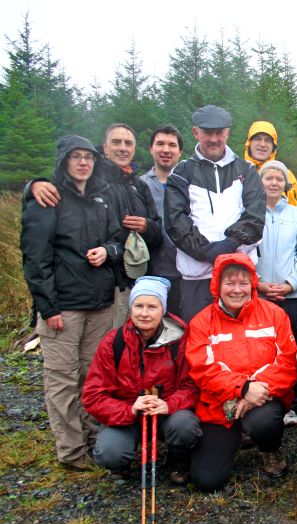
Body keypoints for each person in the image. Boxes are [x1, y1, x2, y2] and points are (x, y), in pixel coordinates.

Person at [21, 135, 123, 470]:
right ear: (64, 161)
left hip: (99, 302)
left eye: (88, 157)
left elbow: (117, 241)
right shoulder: (47, 199)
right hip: (63, 307)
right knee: (62, 379)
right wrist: (47, 308)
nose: (83, 163)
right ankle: (71, 451)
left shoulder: (100, 198)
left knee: (92, 377)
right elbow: (35, 260)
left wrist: (108, 251)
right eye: (75, 157)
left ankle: (94, 438)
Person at [29, 124, 162, 328]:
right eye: (116, 142)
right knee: (108, 345)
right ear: (105, 148)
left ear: (135, 148)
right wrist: (33, 185)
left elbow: (157, 234)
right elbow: (60, 185)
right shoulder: (92, 180)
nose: (122, 148)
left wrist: (147, 227)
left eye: (128, 143)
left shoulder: (139, 185)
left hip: (137, 277)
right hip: (105, 283)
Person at [184, 253, 297, 492]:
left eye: (243, 283)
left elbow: (289, 362)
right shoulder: (201, 322)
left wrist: (255, 389)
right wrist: (243, 389)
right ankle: (236, 438)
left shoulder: (275, 314)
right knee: (207, 481)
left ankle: (269, 448)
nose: (237, 290)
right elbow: (202, 370)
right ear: (217, 286)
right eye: (230, 283)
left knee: (264, 422)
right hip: (219, 409)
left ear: (253, 285)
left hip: (263, 400)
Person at [82, 276, 201, 484]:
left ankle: (178, 459)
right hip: (127, 413)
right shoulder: (113, 342)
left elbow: (192, 386)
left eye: (152, 306)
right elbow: (93, 395)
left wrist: (168, 404)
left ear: (163, 309)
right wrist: (129, 409)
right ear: (130, 308)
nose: (144, 313)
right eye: (139, 306)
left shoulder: (179, 340)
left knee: (185, 425)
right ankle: (121, 464)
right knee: (110, 451)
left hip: (166, 413)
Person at [165, 105, 266, 323]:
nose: (213, 139)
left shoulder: (247, 170)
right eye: (207, 132)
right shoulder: (181, 173)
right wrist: (207, 252)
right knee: (198, 345)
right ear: (195, 132)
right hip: (197, 277)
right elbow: (175, 222)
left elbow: (255, 218)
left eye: (219, 132)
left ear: (227, 133)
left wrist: (229, 245)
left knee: (241, 345)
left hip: (238, 278)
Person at [256, 160, 297, 427]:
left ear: (286, 184)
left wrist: (290, 284)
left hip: (292, 295)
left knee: (289, 349)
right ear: (260, 183)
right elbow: (243, 252)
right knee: (261, 350)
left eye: (279, 179)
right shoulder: (250, 214)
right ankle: (260, 400)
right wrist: (256, 283)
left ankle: (290, 404)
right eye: (268, 177)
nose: (273, 182)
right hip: (257, 294)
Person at [140, 125, 184, 316]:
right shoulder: (139, 185)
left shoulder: (191, 184)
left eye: (172, 145)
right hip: (151, 273)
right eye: (160, 144)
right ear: (151, 148)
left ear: (180, 152)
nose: (166, 150)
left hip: (186, 273)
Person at [243, 120, 297, 205]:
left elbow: (296, 211)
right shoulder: (237, 173)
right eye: (257, 139)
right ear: (249, 143)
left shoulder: (286, 175)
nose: (263, 144)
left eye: (267, 140)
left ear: (273, 146)